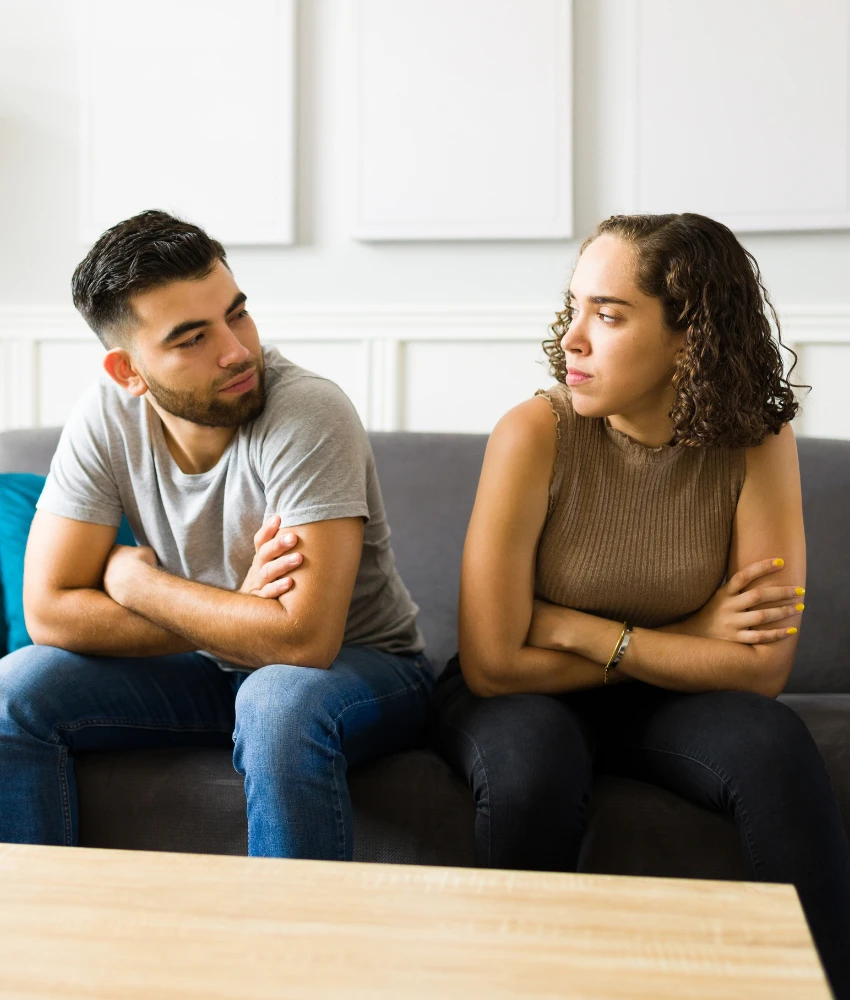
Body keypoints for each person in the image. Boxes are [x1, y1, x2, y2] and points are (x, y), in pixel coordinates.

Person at [430, 213, 850, 998]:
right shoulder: (532, 432)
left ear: (690, 337)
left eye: (610, 315)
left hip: (646, 690)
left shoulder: (757, 439)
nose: (573, 340)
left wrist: (577, 630)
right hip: (524, 696)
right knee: (533, 766)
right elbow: (493, 665)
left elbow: (761, 668)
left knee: (774, 745)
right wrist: (686, 638)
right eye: (576, 307)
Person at [0, 209, 434, 860]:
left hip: (362, 666)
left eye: (237, 313)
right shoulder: (105, 416)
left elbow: (302, 640)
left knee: (277, 701)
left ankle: (292, 961)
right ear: (129, 372)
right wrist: (238, 608)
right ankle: (38, 947)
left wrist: (136, 583)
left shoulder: (307, 412)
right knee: (14, 693)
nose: (236, 350)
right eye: (191, 338)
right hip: (206, 669)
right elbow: (50, 610)